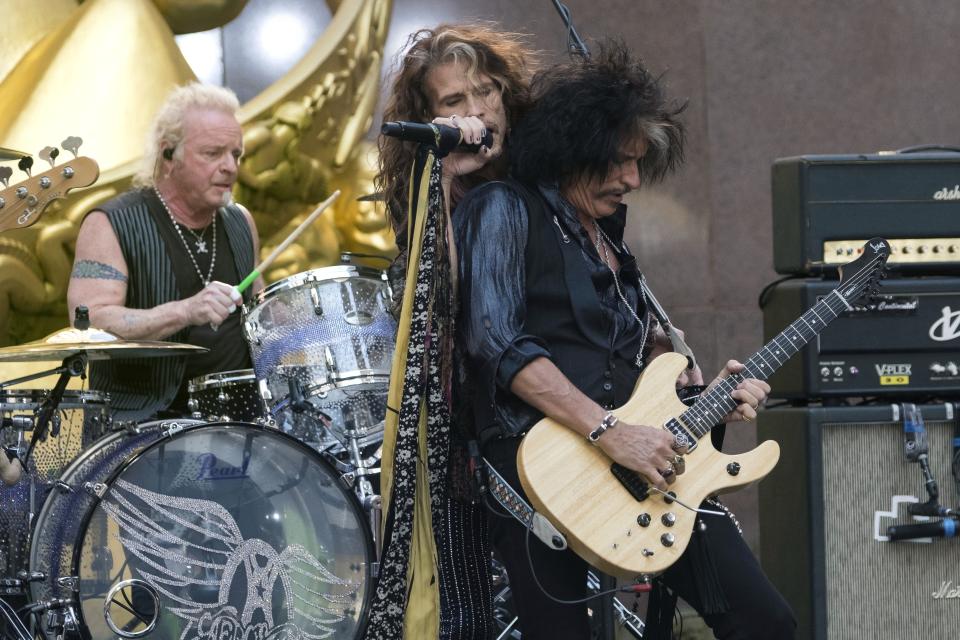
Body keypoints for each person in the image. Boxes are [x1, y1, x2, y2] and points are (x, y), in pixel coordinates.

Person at [455, 42, 797, 639]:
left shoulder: (609, 237)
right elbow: (496, 341)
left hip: (643, 472)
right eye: (618, 162)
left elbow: (634, 378)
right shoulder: (502, 208)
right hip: (542, 472)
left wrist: (709, 400)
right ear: (572, 152)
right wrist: (608, 433)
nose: (634, 179)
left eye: (639, 162)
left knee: (765, 621)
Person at [366, 23, 537, 640]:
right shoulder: (428, 186)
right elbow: (447, 303)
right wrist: (443, 178)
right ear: (430, 116)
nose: (476, 112)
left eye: (485, 92)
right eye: (453, 102)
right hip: (466, 425)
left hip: (554, 412)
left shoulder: (540, 178)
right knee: (463, 605)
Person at [67, 82, 263, 421]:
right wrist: (186, 311)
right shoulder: (110, 223)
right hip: (146, 424)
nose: (230, 166)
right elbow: (90, 321)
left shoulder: (241, 221)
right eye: (213, 153)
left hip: (242, 418)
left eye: (236, 154)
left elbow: (260, 310)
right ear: (169, 155)